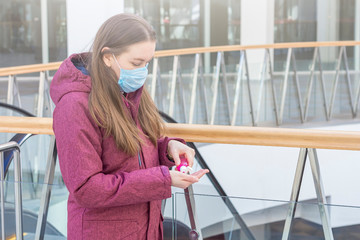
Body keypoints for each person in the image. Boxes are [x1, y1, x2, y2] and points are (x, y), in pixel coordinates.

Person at [50, 13, 209, 240]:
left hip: (145, 229)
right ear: (107, 57)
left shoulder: (127, 89)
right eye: (136, 63)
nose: (142, 71)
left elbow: (131, 147)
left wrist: (167, 148)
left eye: (147, 63)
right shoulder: (74, 105)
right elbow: (87, 189)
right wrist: (163, 179)